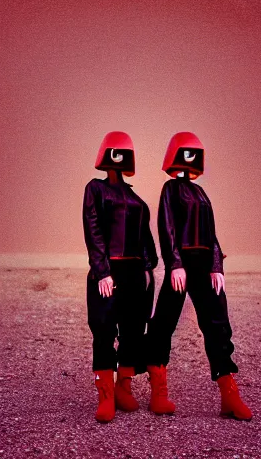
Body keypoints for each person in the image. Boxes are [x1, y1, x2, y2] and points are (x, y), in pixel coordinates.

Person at [145, 131, 252, 420]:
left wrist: (216, 265)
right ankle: (158, 392)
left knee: (217, 323)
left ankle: (229, 394)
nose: (190, 158)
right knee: (164, 321)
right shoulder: (170, 190)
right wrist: (175, 263)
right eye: (186, 153)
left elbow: (212, 234)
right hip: (182, 263)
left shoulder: (201, 193)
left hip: (204, 263)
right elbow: (167, 228)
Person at [83, 131, 158, 422]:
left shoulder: (134, 196)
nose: (118, 158)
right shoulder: (95, 189)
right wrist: (102, 271)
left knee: (133, 330)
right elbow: (93, 229)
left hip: (136, 272)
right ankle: (106, 395)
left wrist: (150, 267)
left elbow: (145, 236)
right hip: (109, 270)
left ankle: (123, 386)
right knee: (103, 331)